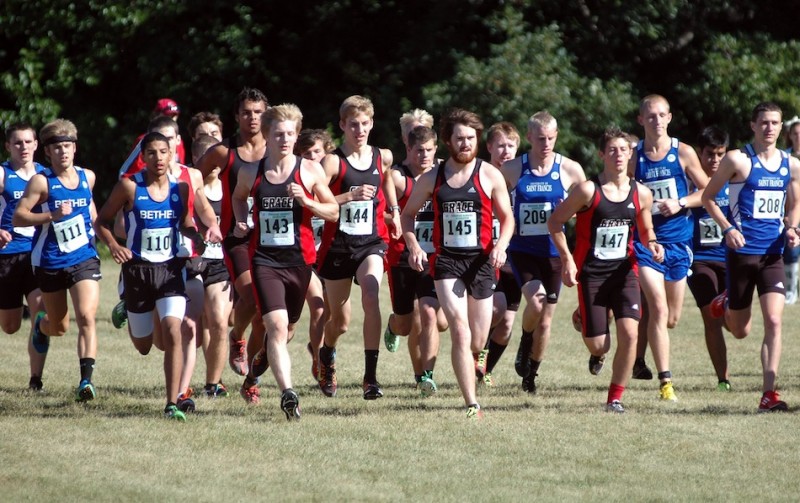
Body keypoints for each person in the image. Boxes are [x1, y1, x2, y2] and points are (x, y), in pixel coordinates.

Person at [401, 108, 513, 419]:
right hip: (447, 262)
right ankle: (471, 403)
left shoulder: (490, 175)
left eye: (471, 138)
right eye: (459, 139)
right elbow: (407, 215)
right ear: (448, 142)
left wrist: (501, 246)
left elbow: (507, 219)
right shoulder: (433, 178)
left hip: (481, 262)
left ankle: (477, 358)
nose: (466, 144)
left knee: (477, 340)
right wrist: (413, 246)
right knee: (460, 332)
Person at [96, 131, 215, 420]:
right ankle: (128, 308)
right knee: (144, 346)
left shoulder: (181, 189)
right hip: (138, 271)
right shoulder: (128, 187)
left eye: (164, 152)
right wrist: (113, 245)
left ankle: (172, 403)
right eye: (152, 153)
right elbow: (101, 221)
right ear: (143, 157)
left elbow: (186, 223)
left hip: (170, 270)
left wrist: (196, 238)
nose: (158, 158)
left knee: (175, 332)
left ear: (172, 154)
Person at [231, 104, 338, 418]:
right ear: (267, 135)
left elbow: (333, 211)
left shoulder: (309, 170)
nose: (285, 139)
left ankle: (254, 374)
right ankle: (289, 394)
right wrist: (242, 220)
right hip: (265, 261)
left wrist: (306, 200)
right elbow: (238, 197)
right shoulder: (252, 171)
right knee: (275, 327)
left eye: (291, 133)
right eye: (278, 134)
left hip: (300, 262)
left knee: (286, 331)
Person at [549, 126, 663, 413]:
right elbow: (555, 222)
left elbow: (646, 228)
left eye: (623, 150)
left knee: (630, 334)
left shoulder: (642, 193)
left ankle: (615, 398)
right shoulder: (589, 190)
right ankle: (585, 318)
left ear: (630, 153)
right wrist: (567, 259)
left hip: (625, 272)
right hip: (592, 274)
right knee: (599, 345)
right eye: (612, 150)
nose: (618, 155)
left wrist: (653, 243)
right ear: (602, 154)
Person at [705, 102, 800, 412]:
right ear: (753, 125)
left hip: (773, 254)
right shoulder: (738, 160)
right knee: (741, 330)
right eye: (764, 122)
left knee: (774, 320)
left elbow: (795, 204)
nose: (769, 128)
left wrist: (793, 227)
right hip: (741, 253)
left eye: (775, 123)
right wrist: (728, 228)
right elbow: (708, 198)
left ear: (781, 127)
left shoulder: (792, 165)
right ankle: (727, 302)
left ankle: (768, 394)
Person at [315, 95, 401, 400]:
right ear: (342, 125)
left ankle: (370, 379)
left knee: (370, 294)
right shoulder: (332, 162)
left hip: (371, 243)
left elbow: (387, 178)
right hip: (338, 246)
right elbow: (317, 203)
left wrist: (395, 210)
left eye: (365, 124)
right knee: (339, 322)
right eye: (354, 124)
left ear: (372, 123)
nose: (360, 130)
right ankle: (327, 353)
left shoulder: (383, 156)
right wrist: (348, 198)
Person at [13, 119, 101, 402]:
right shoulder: (42, 181)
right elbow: (19, 216)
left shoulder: (88, 177)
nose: (63, 152)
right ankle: (41, 325)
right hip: (50, 260)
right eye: (57, 148)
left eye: (67, 147)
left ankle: (85, 382)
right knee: (59, 327)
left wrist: (107, 238)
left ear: (75, 149)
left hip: (84, 256)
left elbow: (92, 213)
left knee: (87, 316)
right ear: (47, 153)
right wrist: (52, 215)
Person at [501, 112, 586, 393]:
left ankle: (531, 376)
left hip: (553, 252)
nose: (546, 143)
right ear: (529, 138)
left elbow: (585, 207)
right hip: (523, 249)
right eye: (540, 138)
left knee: (546, 320)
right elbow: (494, 204)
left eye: (550, 138)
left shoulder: (571, 170)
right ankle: (525, 340)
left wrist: (570, 213)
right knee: (536, 304)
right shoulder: (513, 169)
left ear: (557, 136)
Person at [630, 94, 708, 401]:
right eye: (651, 116)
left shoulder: (683, 152)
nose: (657, 121)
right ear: (641, 120)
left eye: (662, 115)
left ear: (670, 118)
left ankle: (639, 357)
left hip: (679, 242)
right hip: (646, 242)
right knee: (659, 308)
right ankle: (665, 383)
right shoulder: (634, 156)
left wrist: (679, 202)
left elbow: (707, 190)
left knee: (670, 317)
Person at [196, 88, 269, 379]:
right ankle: (237, 336)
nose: (252, 118)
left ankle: (252, 377)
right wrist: (205, 221)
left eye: (258, 112)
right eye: (246, 112)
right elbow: (191, 182)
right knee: (251, 298)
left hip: (272, 240)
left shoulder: (278, 150)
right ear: (237, 116)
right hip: (236, 237)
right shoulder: (222, 152)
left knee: (271, 319)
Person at [385, 124, 445, 395]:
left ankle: (425, 376)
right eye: (419, 150)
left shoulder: (442, 174)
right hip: (402, 257)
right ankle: (392, 325)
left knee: (430, 316)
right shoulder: (397, 177)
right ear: (408, 149)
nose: (424, 156)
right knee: (406, 324)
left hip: (433, 257)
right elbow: (380, 213)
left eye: (429, 151)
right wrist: (395, 217)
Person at [1, 123, 46, 391]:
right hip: (6, 256)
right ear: (8, 146)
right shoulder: (3, 175)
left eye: (28, 142)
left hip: (37, 255)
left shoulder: (45, 175)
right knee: (9, 326)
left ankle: (35, 379)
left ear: (36, 144)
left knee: (40, 310)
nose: (24, 148)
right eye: (17, 143)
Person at [687, 126, 732, 390]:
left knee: (735, 324)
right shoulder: (690, 184)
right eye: (709, 155)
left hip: (730, 259)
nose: (715, 161)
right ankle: (723, 379)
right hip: (699, 259)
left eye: (720, 155)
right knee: (710, 316)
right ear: (699, 154)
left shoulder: (735, 180)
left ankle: (728, 305)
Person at [478, 121, 522, 387]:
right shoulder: (480, 176)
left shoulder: (523, 180)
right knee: (496, 308)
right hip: (485, 255)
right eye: (500, 145)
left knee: (506, 324)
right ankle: (477, 355)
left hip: (515, 257)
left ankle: (486, 370)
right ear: (489, 147)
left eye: (511, 145)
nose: (506, 151)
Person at [193, 134, 233, 397]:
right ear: (197, 160)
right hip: (190, 262)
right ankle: (182, 381)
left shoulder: (232, 187)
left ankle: (212, 385)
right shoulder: (186, 188)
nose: (215, 164)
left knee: (218, 321)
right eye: (208, 158)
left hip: (220, 262)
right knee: (190, 328)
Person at [295, 128, 335, 382]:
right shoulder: (299, 177)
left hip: (330, 251)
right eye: (307, 153)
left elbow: (334, 207)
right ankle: (318, 360)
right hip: (305, 251)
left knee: (333, 314)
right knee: (318, 306)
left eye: (317, 152)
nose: (313, 157)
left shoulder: (334, 174)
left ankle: (319, 348)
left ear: (326, 151)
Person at [118, 98, 186, 178]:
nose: (171, 119)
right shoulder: (145, 140)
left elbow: (181, 169)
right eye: (166, 115)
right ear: (156, 115)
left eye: (174, 116)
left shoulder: (178, 141)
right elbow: (124, 174)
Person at [781, 117, 800, 303]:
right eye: (795, 133)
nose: (799, 137)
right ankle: (791, 290)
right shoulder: (785, 158)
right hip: (793, 210)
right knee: (792, 251)